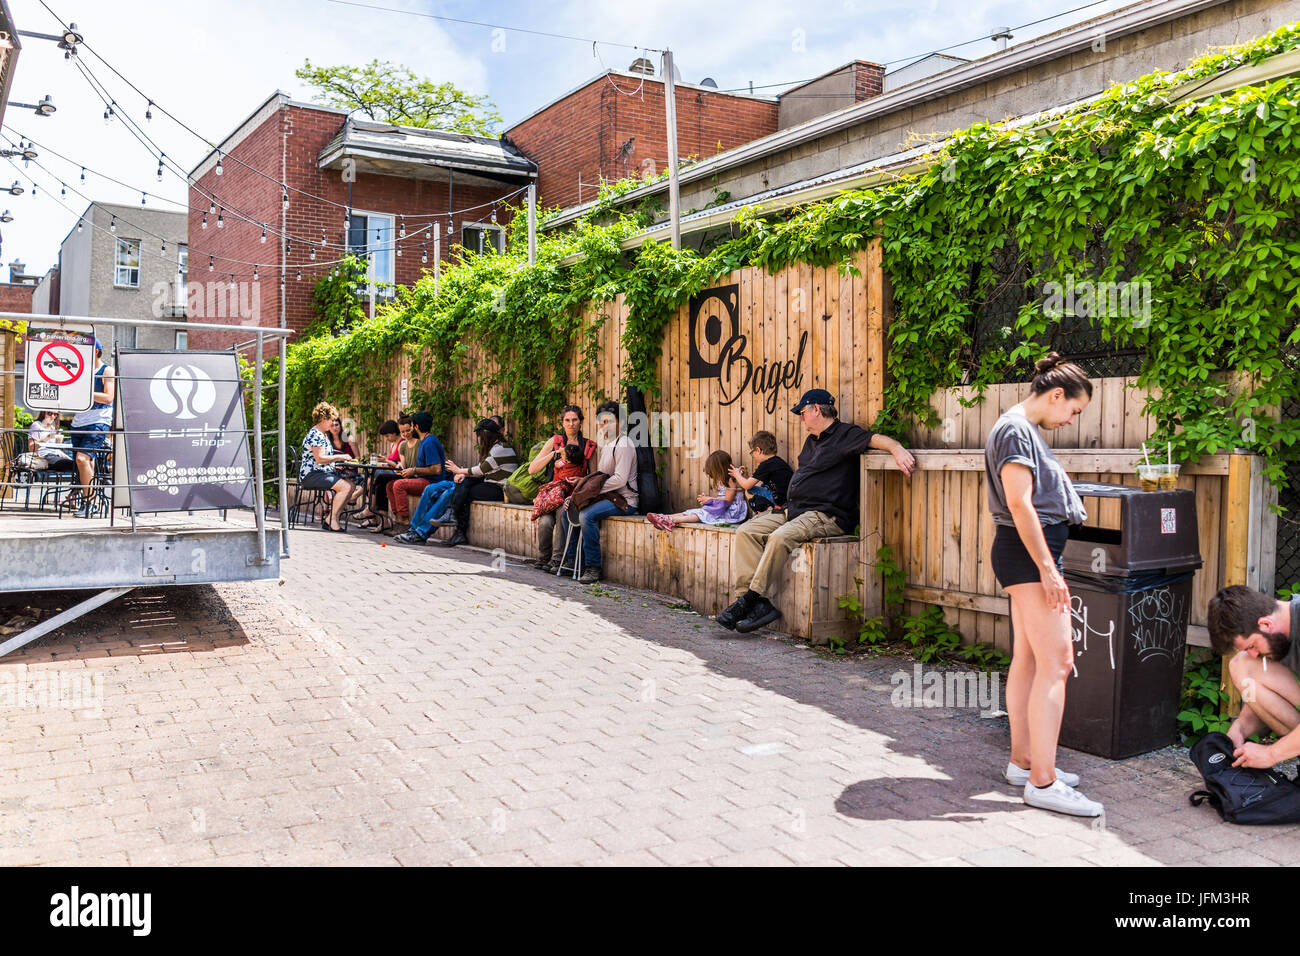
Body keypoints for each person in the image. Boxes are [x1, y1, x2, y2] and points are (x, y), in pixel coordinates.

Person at [984, 353, 1101, 818]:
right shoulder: (1015, 430)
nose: (1072, 420)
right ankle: (1043, 782)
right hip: (1030, 557)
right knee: (1059, 662)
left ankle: (1024, 762)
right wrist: (1049, 569)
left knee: (1031, 659)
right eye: (1073, 410)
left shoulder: (1019, 427)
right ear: (1057, 395)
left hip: (1023, 556)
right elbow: (1020, 504)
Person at [717, 389, 915, 634]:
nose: (801, 419)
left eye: (802, 413)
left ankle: (748, 600)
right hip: (796, 511)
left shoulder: (845, 434)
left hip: (825, 514)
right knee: (746, 531)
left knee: (779, 537)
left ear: (816, 410)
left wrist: (897, 450)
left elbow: (876, 439)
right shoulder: (812, 441)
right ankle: (758, 604)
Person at [1207, 585, 1300, 771]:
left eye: (1252, 646)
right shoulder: (1277, 633)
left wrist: (1271, 754)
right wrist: (1240, 727)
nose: (1254, 654)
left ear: (1266, 624)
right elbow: (1263, 697)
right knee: (1241, 665)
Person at [558, 401, 638, 584]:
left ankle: (593, 567)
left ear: (620, 422)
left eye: (609, 421)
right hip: (608, 496)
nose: (604, 425)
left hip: (625, 500)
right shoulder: (609, 444)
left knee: (586, 516)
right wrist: (583, 482)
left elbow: (620, 479)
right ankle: (573, 561)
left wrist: (590, 490)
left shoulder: (624, 444)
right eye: (601, 421)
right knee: (567, 508)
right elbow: (601, 476)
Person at [528, 405, 596, 572]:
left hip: (572, 497)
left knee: (561, 514)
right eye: (567, 420)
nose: (571, 423)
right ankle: (543, 557)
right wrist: (553, 454)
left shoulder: (588, 446)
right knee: (544, 522)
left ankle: (557, 560)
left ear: (581, 422)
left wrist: (580, 479)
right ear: (562, 422)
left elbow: (593, 477)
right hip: (553, 495)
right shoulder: (555, 441)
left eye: (575, 420)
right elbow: (532, 469)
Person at [433, 418, 519, 548]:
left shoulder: (500, 449)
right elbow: (479, 469)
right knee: (465, 483)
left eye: (479, 436)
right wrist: (462, 474)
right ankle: (454, 522)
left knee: (466, 492)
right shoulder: (494, 447)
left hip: (500, 489)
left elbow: (481, 470)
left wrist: (458, 470)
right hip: (490, 483)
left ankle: (454, 519)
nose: (478, 439)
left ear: (485, 435)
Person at [64, 339, 114, 517]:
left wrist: (84, 391)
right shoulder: (81, 372)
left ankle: (88, 502)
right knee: (87, 462)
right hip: (79, 421)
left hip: (98, 420)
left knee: (82, 460)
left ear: (96, 351)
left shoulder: (107, 370)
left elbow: (109, 397)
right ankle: (90, 501)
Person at [647, 450, 748, 529]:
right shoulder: (725, 479)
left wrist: (710, 500)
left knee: (699, 514)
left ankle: (668, 520)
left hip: (731, 513)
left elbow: (728, 501)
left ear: (720, 469)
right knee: (693, 511)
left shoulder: (732, 479)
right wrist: (709, 500)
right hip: (722, 509)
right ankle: (663, 517)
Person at [299, 401, 358, 532]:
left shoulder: (322, 434)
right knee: (345, 487)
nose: (332, 423)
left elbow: (324, 458)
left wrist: (336, 464)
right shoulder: (316, 434)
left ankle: (332, 517)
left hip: (321, 472)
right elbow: (319, 459)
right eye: (331, 420)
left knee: (351, 486)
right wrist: (341, 457)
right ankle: (331, 520)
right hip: (312, 475)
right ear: (323, 419)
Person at [386, 411, 445, 533]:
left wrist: (414, 471)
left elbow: (437, 469)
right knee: (390, 485)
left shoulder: (429, 442)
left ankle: (405, 522)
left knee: (399, 485)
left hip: (432, 482)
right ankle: (398, 519)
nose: (411, 428)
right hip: (422, 479)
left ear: (416, 427)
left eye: (412, 425)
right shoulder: (425, 441)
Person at [367, 414, 417, 533]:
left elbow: (404, 466)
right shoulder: (404, 444)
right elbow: (402, 465)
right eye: (403, 431)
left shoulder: (408, 443)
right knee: (381, 485)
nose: (405, 434)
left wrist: (389, 462)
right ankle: (385, 521)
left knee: (379, 477)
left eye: (408, 430)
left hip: (409, 474)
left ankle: (371, 509)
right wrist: (399, 465)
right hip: (401, 472)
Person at [728, 430, 792, 513]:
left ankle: (761, 510)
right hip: (786, 499)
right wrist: (746, 477)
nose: (753, 456)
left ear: (758, 450)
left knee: (749, 491)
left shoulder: (766, 464)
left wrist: (737, 475)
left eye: (752, 453)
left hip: (778, 499)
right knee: (759, 485)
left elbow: (747, 485)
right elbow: (754, 482)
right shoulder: (777, 462)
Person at [353, 418, 400, 530]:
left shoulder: (401, 444)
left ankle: (362, 502)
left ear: (394, 433)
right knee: (373, 480)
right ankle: (375, 517)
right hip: (387, 474)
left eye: (388, 436)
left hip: (395, 474)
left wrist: (385, 461)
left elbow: (400, 465)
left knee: (374, 478)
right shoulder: (393, 445)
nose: (386, 439)